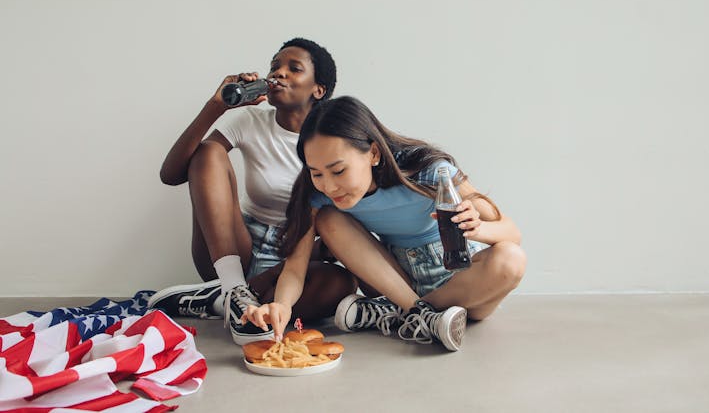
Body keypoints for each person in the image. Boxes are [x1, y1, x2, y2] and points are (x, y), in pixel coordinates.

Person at [243, 96, 525, 351]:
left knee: (511, 260)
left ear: (374, 154)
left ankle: (401, 314)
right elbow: (295, 267)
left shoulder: (429, 170)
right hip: (394, 282)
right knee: (330, 219)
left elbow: (511, 232)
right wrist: (280, 306)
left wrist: (477, 228)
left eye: (339, 170)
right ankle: (415, 313)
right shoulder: (317, 196)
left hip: (465, 281)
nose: (329, 186)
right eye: (316, 173)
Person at [148, 38, 356, 345]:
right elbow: (171, 174)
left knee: (340, 284)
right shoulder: (251, 121)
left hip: (293, 257)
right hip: (232, 248)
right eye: (275, 66)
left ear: (318, 90)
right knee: (207, 152)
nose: (279, 73)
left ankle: (219, 302)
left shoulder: (333, 139)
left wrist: (286, 266)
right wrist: (217, 105)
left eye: (293, 68)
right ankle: (233, 290)